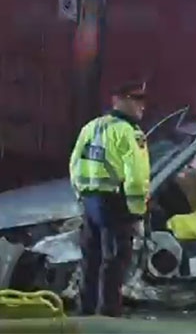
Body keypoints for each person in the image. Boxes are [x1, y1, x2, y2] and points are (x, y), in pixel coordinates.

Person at [68, 80, 150, 317]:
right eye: (137, 100)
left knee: (91, 258)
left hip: (90, 202)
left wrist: (81, 194)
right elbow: (136, 177)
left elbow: (74, 163)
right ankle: (109, 312)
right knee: (115, 259)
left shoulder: (91, 127)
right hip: (115, 203)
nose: (142, 106)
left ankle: (86, 308)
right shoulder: (130, 132)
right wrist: (137, 210)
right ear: (120, 100)